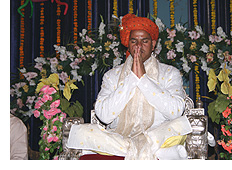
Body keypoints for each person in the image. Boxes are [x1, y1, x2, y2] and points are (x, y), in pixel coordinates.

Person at [67, 14, 192, 160]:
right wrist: (132, 79)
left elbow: (175, 111)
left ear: (153, 44)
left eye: (144, 41)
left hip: (156, 136)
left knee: (177, 126)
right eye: (134, 41)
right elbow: (104, 116)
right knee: (82, 132)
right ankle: (158, 152)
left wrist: (144, 80)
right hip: (120, 138)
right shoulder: (112, 76)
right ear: (128, 43)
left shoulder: (170, 73)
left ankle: (156, 150)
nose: (138, 46)